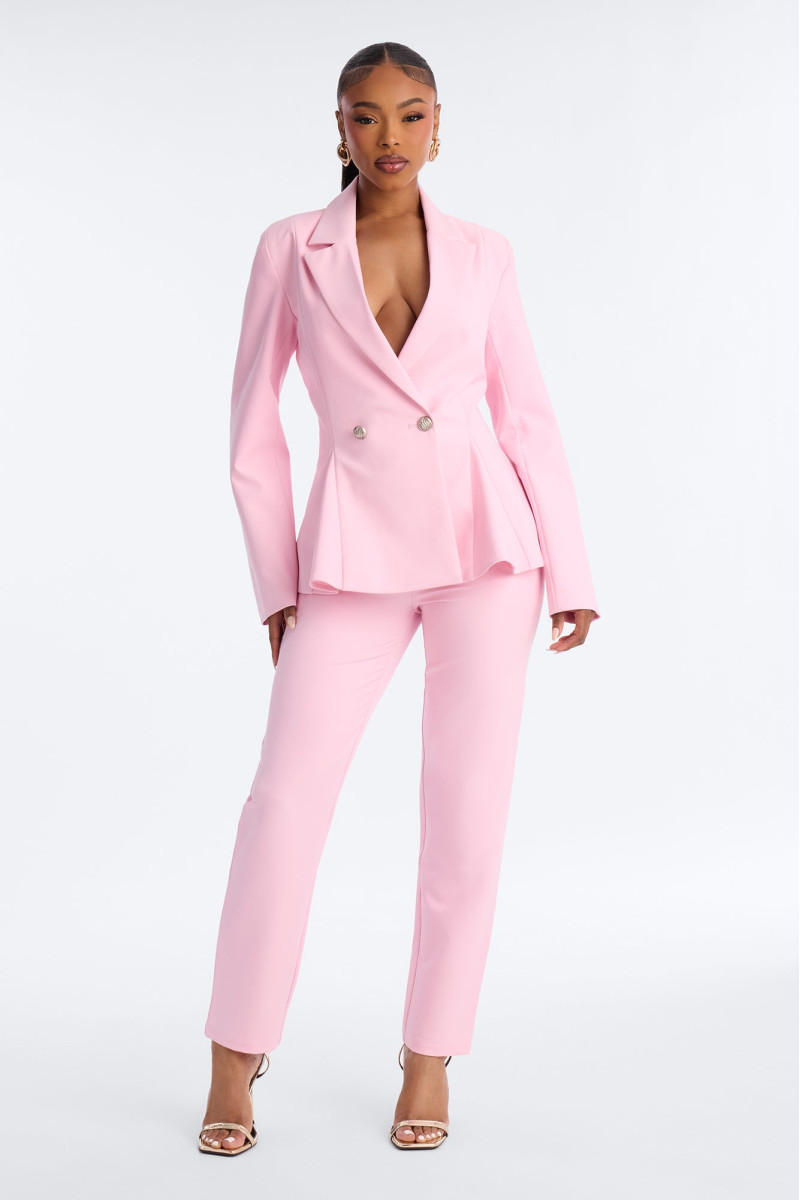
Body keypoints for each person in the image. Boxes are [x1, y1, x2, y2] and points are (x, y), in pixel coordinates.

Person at [198, 41, 601, 1156]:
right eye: (366, 115)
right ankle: (234, 1054)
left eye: (410, 114)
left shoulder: (483, 252)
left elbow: (526, 415)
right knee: (283, 803)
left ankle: (429, 1056)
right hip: (348, 554)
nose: (389, 137)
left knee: (465, 811)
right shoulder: (292, 247)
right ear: (338, 128)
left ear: (438, 124)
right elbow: (252, 428)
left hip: (487, 551)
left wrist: (570, 570)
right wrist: (275, 584)